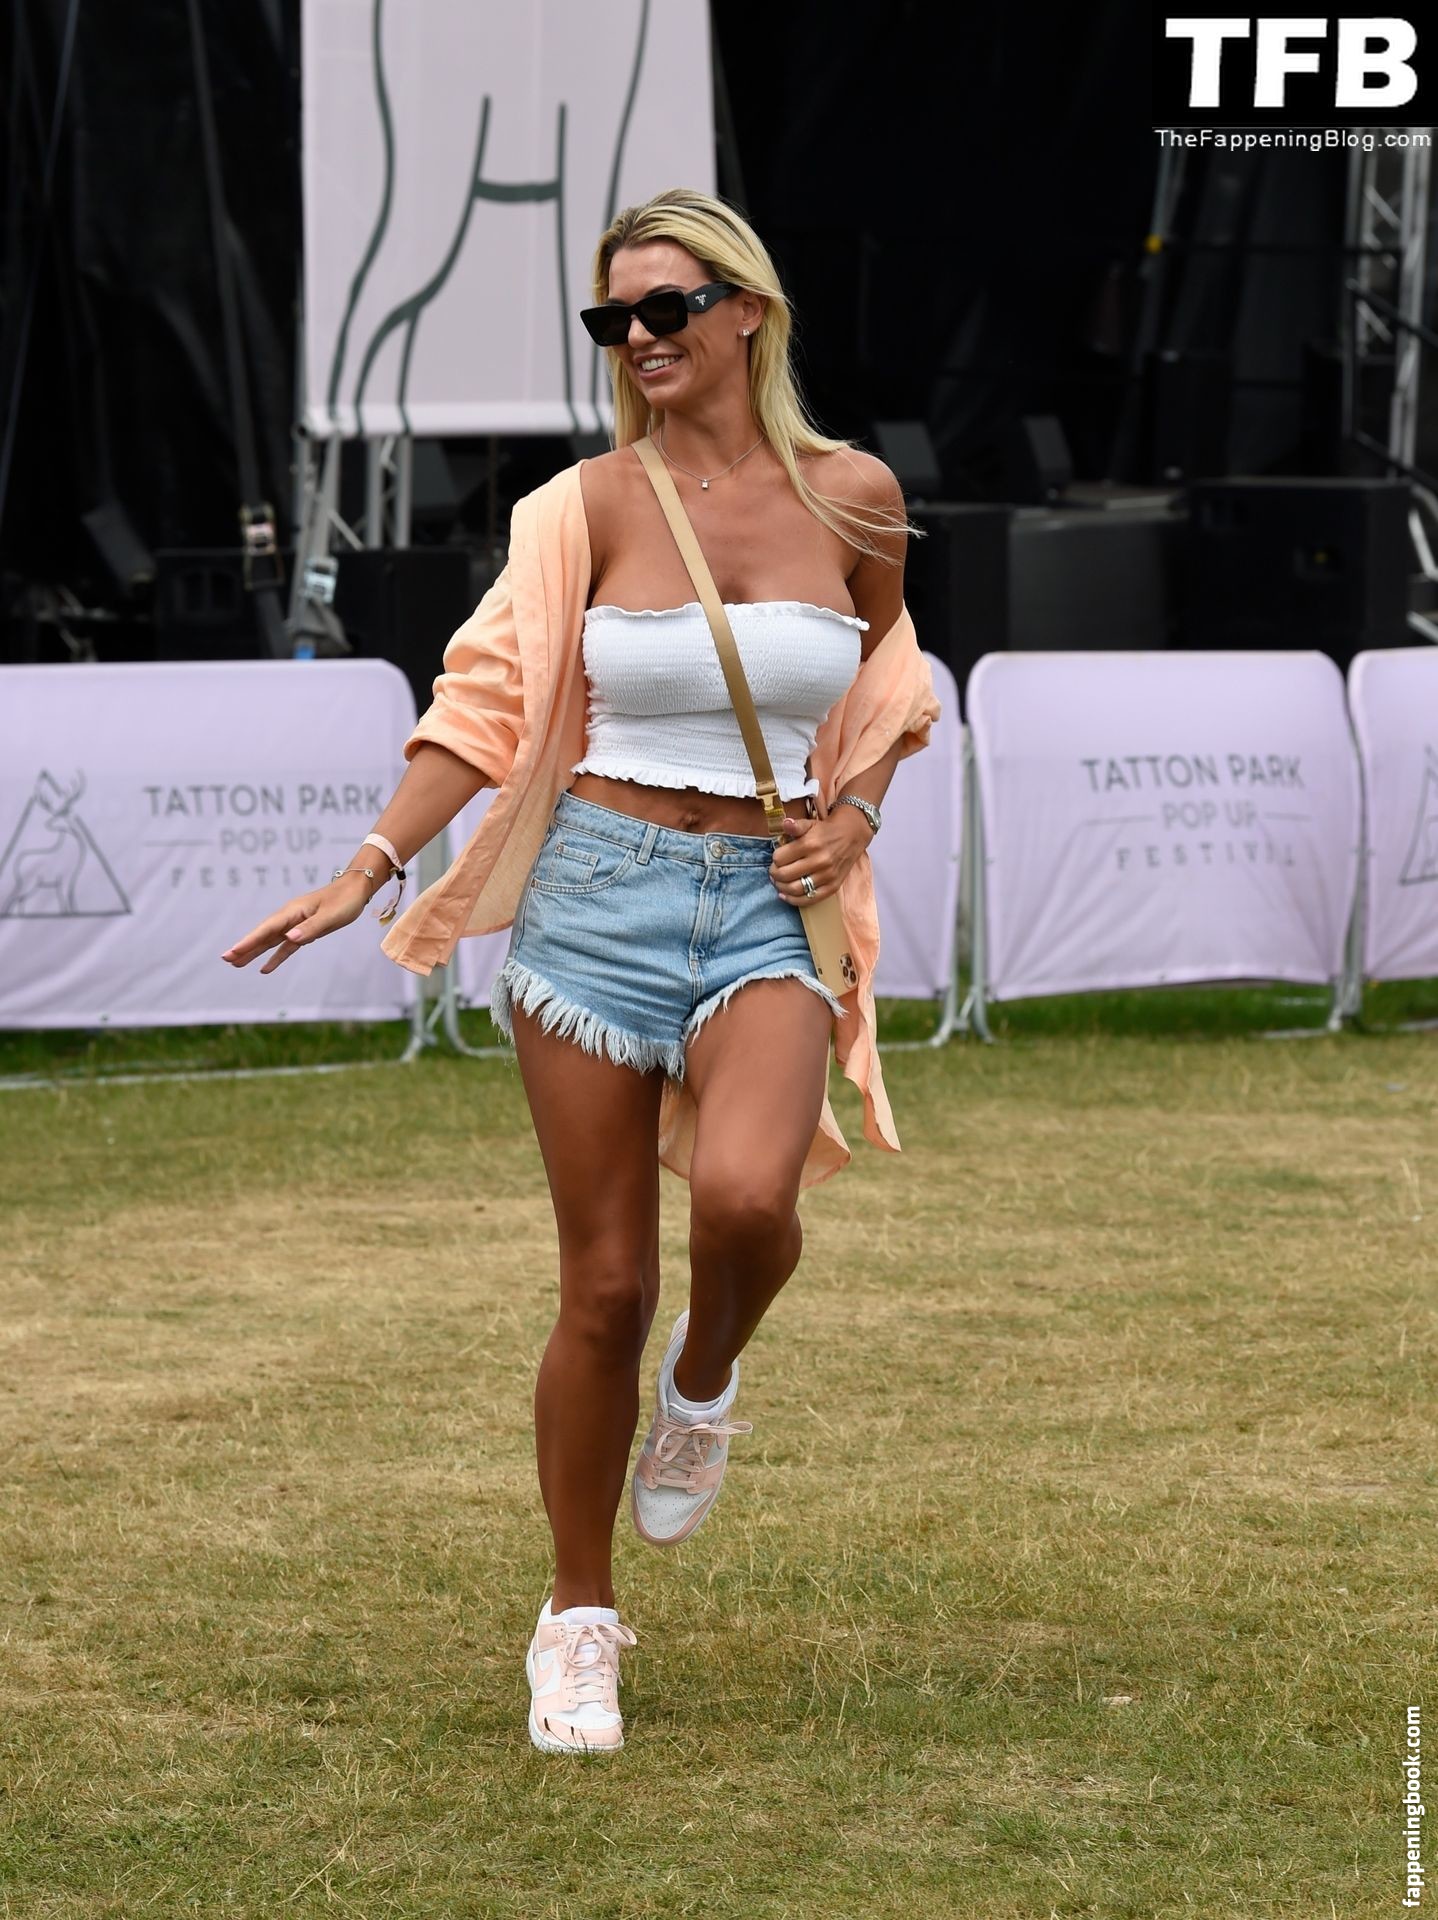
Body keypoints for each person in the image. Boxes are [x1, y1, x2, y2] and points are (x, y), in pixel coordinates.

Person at [222, 187, 940, 1756]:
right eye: (612, 318)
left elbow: (892, 677)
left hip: (767, 904)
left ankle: (705, 1384)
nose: (637, 339)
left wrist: (858, 810)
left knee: (747, 1204)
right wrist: (368, 865)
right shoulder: (581, 507)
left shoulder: (855, 494)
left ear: (746, 312)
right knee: (602, 1284)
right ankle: (576, 1621)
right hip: (594, 901)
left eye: (664, 309)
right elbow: (485, 705)